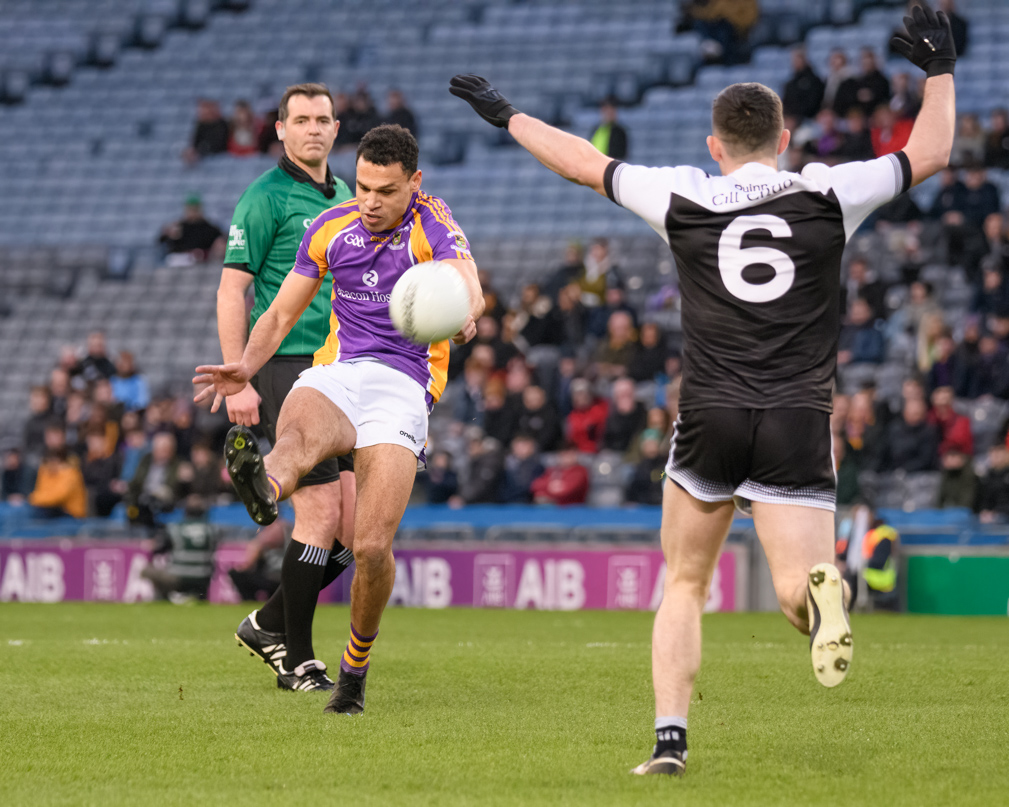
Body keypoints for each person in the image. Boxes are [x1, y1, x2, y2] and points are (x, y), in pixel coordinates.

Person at [450, 0, 955, 775]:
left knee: (684, 580)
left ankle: (668, 740)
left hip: (710, 413)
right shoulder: (828, 191)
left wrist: (507, 115)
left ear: (714, 145)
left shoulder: (683, 194)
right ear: (783, 141)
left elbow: (583, 161)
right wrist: (938, 69)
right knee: (794, 589)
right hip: (796, 413)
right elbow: (930, 151)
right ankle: (820, 596)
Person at [195, 123, 482, 714]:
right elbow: (277, 315)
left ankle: (353, 673)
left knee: (371, 547)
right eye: (365, 187)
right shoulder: (333, 226)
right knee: (296, 436)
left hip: (404, 387)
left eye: (387, 191)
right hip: (340, 370)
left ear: (414, 183)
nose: (371, 201)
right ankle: (265, 483)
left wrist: (461, 310)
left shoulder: (432, 222)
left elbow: (469, 286)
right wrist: (244, 368)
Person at [217, 83, 356, 693]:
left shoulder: (350, 193)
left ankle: (268, 623)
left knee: (358, 534)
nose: (314, 130)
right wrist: (237, 378)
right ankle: (297, 658)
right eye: (300, 120)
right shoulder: (265, 198)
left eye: (323, 119)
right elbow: (231, 291)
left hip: (342, 367)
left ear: (335, 126)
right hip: (284, 364)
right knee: (320, 511)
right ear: (279, 130)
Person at [141, 495, 219, 602]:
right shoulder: (212, 530)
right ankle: (200, 598)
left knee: (146, 571)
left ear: (185, 511)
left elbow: (160, 548)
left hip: (178, 578)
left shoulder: (175, 528)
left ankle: (163, 600)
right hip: (204, 578)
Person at [159, 196, 225, 262]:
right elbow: (162, 242)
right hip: (181, 261)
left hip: (204, 263)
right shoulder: (178, 227)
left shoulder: (209, 228)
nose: (193, 212)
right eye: (190, 209)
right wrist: (169, 234)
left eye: (195, 209)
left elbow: (221, 241)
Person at [782, 47, 824, 123]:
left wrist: (796, 117)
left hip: (808, 120)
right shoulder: (791, 82)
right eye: (794, 59)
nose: (795, 62)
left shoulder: (813, 81)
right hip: (791, 120)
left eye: (798, 58)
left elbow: (813, 103)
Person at [183, 98, 229, 163]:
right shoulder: (200, 125)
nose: (205, 111)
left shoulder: (223, 124)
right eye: (203, 108)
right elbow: (196, 144)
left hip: (222, 157)